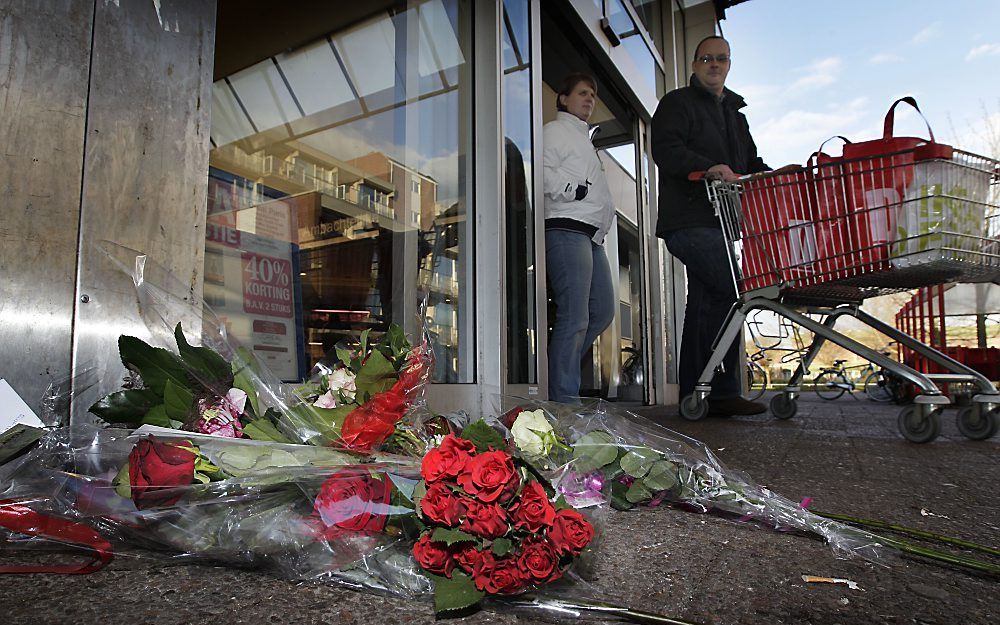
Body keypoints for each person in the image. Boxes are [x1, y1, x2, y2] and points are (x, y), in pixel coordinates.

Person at [651, 35, 769, 417]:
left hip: (721, 220)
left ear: (729, 64)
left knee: (705, 301)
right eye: (706, 59)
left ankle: (697, 392)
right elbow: (665, 149)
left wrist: (774, 174)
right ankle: (719, 389)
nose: (714, 64)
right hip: (687, 218)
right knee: (730, 289)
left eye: (721, 59)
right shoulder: (677, 104)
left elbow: (749, 162)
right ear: (694, 65)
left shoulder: (736, 116)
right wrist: (706, 167)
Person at [543, 73, 616, 403]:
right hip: (566, 227)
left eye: (593, 95)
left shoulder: (584, 141)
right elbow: (542, 173)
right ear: (563, 98)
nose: (590, 99)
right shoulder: (554, 131)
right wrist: (575, 190)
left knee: (601, 311)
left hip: (591, 236)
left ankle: (556, 373)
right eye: (583, 93)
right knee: (574, 316)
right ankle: (564, 401)